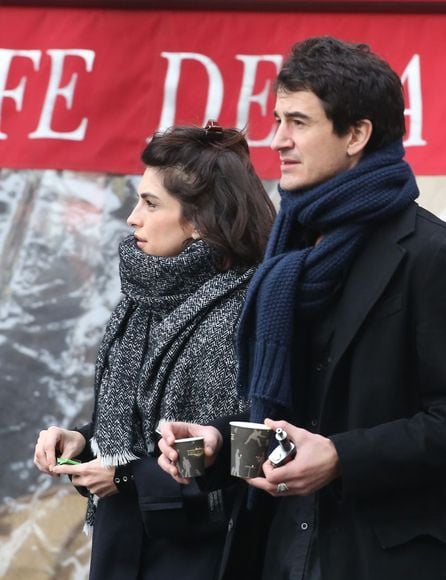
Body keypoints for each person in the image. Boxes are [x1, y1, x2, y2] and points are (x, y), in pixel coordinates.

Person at [158, 36, 446, 580]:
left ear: (356, 135)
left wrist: (341, 456)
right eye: (276, 120)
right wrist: (220, 443)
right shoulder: (287, 249)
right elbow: (285, 417)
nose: (276, 140)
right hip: (272, 546)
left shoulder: (437, 255)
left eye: (297, 122)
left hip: (379, 557)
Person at [33, 122, 276, 580]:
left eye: (150, 203)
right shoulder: (142, 298)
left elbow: (258, 442)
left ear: (201, 221)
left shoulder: (252, 305)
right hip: (120, 545)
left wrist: (129, 476)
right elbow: (139, 421)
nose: (132, 217)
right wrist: (85, 441)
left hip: (205, 556)